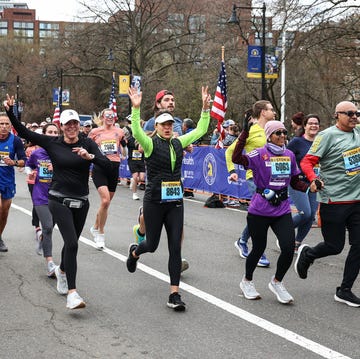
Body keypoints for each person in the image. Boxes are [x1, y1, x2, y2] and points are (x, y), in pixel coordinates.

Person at [5, 97, 112, 310]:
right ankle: (72, 294)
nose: (72, 127)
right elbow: (25, 133)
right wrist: (11, 112)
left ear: (78, 126)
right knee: (71, 243)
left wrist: (90, 156)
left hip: (81, 201)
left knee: (72, 246)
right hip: (58, 199)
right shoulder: (52, 143)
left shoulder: (87, 142)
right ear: (62, 127)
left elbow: (108, 165)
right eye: (67, 124)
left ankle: (62, 272)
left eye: (75, 124)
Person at [126, 86, 211, 311]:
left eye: (170, 124)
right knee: (151, 245)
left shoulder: (178, 143)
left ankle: (174, 294)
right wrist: (135, 109)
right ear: (157, 127)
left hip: (175, 202)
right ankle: (135, 252)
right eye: (163, 124)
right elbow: (136, 131)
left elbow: (201, 129)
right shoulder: (149, 144)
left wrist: (205, 109)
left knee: (175, 248)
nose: (167, 127)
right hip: (154, 201)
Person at [232, 120, 317, 304]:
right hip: (259, 210)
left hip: (282, 210)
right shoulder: (259, 154)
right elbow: (237, 158)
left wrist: (309, 186)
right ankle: (247, 281)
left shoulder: (288, 155)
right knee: (258, 248)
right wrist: (244, 134)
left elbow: (295, 181)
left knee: (288, 248)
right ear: (269, 135)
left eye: (285, 132)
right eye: (278, 133)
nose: (283, 136)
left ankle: (277, 282)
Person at [295, 101, 360, 307]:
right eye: (349, 113)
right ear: (337, 115)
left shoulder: (358, 133)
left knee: (359, 246)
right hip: (334, 200)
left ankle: (345, 290)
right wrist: (313, 179)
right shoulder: (327, 136)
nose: (354, 116)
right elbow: (307, 161)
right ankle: (308, 254)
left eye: (356, 113)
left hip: (357, 200)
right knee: (334, 246)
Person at [226, 101, 276, 267]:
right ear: (262, 112)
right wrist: (232, 171)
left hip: (272, 178)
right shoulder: (252, 130)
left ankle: (242, 240)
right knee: (262, 212)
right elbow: (230, 151)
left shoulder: (274, 129)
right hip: (254, 177)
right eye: (270, 109)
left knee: (261, 214)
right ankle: (258, 251)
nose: (274, 112)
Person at [88, 108, 127, 248]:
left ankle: (94, 226)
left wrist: (124, 150)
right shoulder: (95, 132)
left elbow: (124, 147)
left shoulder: (120, 131)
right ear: (103, 117)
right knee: (104, 200)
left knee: (106, 203)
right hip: (100, 167)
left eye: (112, 115)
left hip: (114, 168)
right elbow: (87, 146)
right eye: (107, 115)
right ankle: (100, 233)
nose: (110, 117)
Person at [26, 123, 59, 277]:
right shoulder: (37, 153)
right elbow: (28, 165)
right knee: (47, 227)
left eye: (55, 132)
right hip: (40, 195)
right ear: (44, 134)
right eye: (49, 132)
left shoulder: (62, 153)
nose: (52, 134)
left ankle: (42, 239)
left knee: (50, 227)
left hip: (58, 196)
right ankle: (50, 263)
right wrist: (31, 172)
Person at [287, 114, 321, 253]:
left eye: (316, 123)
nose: (314, 125)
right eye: (311, 123)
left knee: (311, 214)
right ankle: (285, 232)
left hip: (314, 183)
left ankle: (296, 242)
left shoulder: (321, 142)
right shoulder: (296, 142)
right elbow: (286, 158)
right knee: (305, 213)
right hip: (297, 182)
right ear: (305, 126)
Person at [0, 112, 27, 252]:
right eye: (1, 124)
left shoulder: (15, 141)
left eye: (6, 124)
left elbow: (24, 161)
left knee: (4, 212)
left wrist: (14, 162)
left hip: (7, 181)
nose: (4, 127)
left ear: (10, 126)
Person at [126, 119, 145, 200]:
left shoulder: (143, 138)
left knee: (141, 178)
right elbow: (124, 145)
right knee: (135, 177)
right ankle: (134, 193)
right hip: (132, 160)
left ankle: (133, 181)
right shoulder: (130, 138)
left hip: (141, 160)